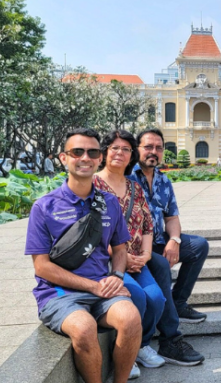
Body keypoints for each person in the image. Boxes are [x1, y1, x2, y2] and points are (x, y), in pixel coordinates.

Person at [25, 128, 141, 383]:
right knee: (84, 327)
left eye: (92, 152)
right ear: (64, 158)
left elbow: (120, 248)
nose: (85, 157)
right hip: (58, 294)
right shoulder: (44, 207)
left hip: (102, 289)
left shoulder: (109, 203)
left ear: (100, 158)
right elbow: (42, 267)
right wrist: (93, 286)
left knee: (131, 318)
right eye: (77, 152)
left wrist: (117, 275)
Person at [129, 128, 207, 366]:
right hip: (135, 244)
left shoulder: (163, 180)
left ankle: (179, 302)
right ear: (137, 150)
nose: (154, 152)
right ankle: (170, 340)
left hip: (159, 238)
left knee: (198, 246)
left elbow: (171, 217)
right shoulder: (126, 177)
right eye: (148, 147)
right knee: (161, 264)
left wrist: (175, 240)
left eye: (159, 148)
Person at [94, 130, 167, 379]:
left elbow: (148, 224)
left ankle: (140, 345)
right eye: (114, 148)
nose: (119, 153)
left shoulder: (134, 186)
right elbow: (88, 230)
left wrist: (146, 255)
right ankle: (126, 352)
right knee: (135, 295)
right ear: (104, 152)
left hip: (137, 261)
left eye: (125, 149)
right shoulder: (92, 185)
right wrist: (121, 257)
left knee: (157, 299)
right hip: (107, 261)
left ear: (131, 156)